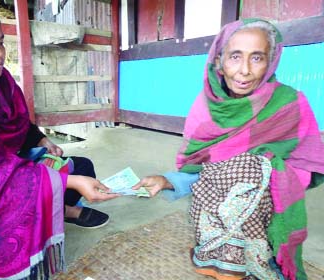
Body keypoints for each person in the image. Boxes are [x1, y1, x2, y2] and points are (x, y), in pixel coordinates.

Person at [0, 1, 118, 279]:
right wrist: (68, 183)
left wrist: (40, 140)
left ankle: (62, 209)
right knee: (24, 200)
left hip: (6, 165)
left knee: (81, 166)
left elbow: (16, 124)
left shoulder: (1, 82)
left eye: (1, 43)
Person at [134, 19, 324, 279]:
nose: (244, 70)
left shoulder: (289, 103)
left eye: (257, 58)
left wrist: (265, 171)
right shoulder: (204, 108)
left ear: (271, 61)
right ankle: (217, 260)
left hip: (265, 207)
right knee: (228, 176)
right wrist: (167, 181)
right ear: (219, 62)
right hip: (213, 211)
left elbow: (308, 165)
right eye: (235, 57)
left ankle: (259, 261)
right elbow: (198, 167)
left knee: (247, 170)